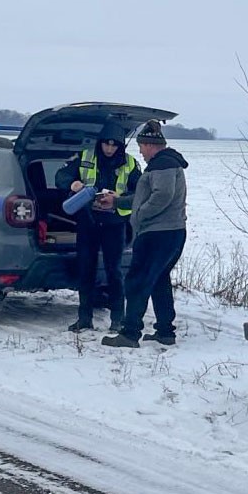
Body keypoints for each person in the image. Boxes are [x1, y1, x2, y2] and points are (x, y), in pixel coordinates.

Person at [100, 120, 188, 348]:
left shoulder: (163, 164)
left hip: (158, 233)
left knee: (137, 281)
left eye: (141, 146)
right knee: (159, 280)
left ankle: (130, 334)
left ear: (150, 145)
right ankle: (165, 332)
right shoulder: (165, 164)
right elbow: (145, 195)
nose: (139, 151)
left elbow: (162, 196)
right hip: (171, 232)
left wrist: (138, 215)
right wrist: (118, 200)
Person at [56, 135, 141, 332]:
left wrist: (119, 198)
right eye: (106, 144)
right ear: (100, 143)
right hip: (88, 221)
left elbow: (140, 191)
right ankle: (84, 319)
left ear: (120, 146)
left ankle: (118, 320)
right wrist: (73, 184)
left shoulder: (130, 163)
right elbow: (61, 175)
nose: (109, 149)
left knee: (115, 272)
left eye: (114, 145)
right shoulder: (85, 157)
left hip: (115, 223)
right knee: (86, 270)